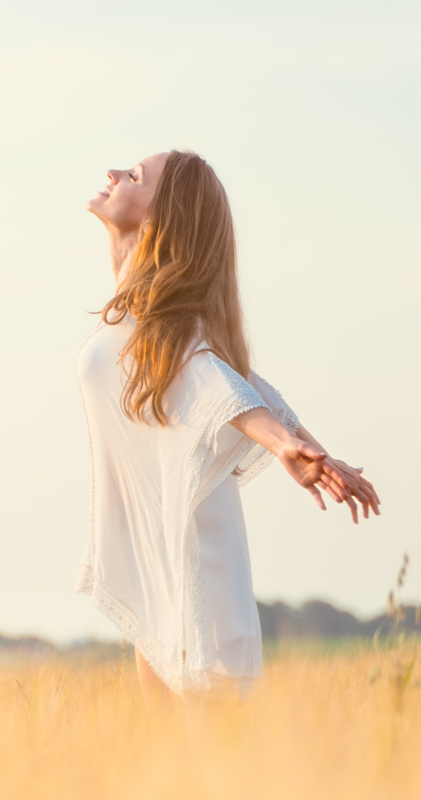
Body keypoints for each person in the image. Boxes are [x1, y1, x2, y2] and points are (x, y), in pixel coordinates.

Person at [74, 150, 380, 709]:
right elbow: (246, 382)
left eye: (136, 176)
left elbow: (230, 390)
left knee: (204, 764)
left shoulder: (170, 332)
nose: (115, 172)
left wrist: (289, 445)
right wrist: (302, 444)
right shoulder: (136, 314)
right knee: (171, 771)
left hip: (195, 574)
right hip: (161, 566)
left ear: (161, 218)